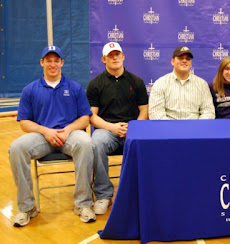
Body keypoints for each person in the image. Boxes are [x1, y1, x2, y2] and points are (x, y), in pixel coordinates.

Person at [9, 46, 95, 227]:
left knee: (86, 142)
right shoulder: (30, 90)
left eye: (56, 60)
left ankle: (83, 204)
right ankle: (27, 207)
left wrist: (68, 129)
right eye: (48, 60)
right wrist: (46, 131)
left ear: (62, 63)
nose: (53, 64)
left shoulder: (75, 88)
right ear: (42, 62)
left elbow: (85, 118)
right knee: (16, 147)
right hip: (43, 137)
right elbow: (24, 123)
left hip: (70, 135)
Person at [86, 42, 149, 215]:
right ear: (103, 59)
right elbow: (92, 116)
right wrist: (112, 128)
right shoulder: (95, 84)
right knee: (96, 143)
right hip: (107, 131)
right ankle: (104, 195)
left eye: (117, 54)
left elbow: (144, 110)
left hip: (133, 130)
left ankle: (137, 191)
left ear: (123, 57)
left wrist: (133, 128)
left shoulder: (136, 81)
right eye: (110, 55)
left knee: (147, 142)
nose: (114, 58)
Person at [149, 46, 215, 120]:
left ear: (191, 63)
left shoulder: (202, 84)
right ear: (172, 61)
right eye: (180, 58)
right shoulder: (160, 83)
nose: (184, 61)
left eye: (188, 59)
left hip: (195, 128)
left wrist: (197, 127)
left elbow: (209, 111)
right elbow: (155, 113)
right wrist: (172, 128)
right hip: (168, 129)